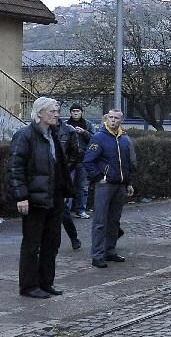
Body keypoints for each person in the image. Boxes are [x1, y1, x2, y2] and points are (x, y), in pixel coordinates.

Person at [8, 97, 74, 298]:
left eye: (57, 111)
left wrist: (64, 192)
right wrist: (21, 196)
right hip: (35, 199)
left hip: (53, 198)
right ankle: (28, 286)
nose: (56, 114)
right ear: (40, 114)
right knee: (32, 244)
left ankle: (46, 282)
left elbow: (59, 167)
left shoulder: (53, 134)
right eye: (52, 111)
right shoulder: (25, 136)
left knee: (52, 242)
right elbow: (15, 168)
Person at [83, 109, 135, 268]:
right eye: (111, 117)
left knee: (114, 220)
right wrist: (99, 177)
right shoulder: (98, 138)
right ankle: (97, 255)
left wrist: (128, 183)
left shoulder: (124, 139)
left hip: (120, 185)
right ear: (107, 119)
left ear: (121, 120)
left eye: (116, 118)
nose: (113, 120)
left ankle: (110, 251)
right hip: (105, 186)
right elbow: (88, 161)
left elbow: (128, 164)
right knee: (100, 221)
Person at [56, 121, 83, 251]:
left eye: (56, 111)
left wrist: (65, 169)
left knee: (63, 210)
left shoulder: (68, 130)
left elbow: (75, 153)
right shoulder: (39, 131)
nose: (54, 114)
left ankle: (74, 238)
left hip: (63, 174)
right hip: (45, 175)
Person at [65, 103, 94, 218]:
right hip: (70, 160)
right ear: (70, 113)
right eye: (73, 111)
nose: (76, 113)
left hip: (83, 159)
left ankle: (81, 210)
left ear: (82, 112)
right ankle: (66, 211)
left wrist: (84, 132)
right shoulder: (66, 125)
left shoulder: (88, 124)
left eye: (78, 111)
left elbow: (95, 139)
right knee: (69, 185)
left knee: (83, 187)